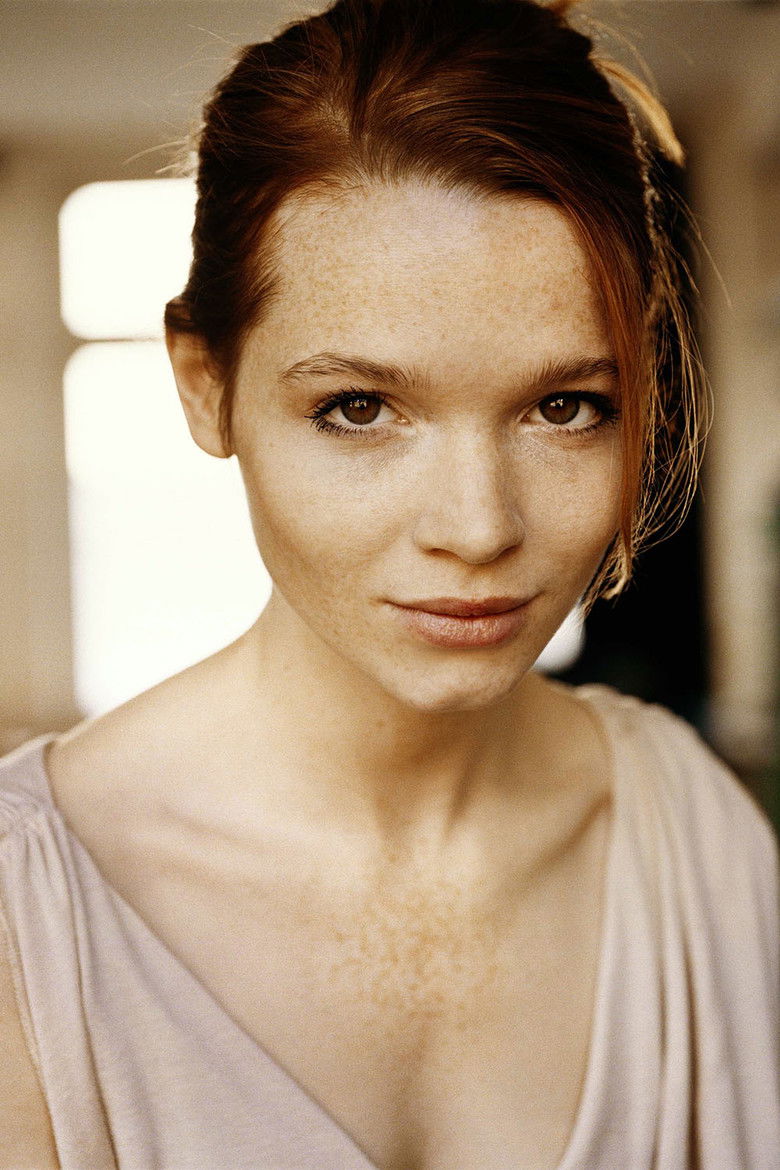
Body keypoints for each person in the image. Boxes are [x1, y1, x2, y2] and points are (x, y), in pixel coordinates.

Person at [1, 0, 777, 1166]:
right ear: (205, 386)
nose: (479, 527)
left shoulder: (697, 844)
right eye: (359, 408)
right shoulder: (25, 918)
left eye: (565, 406)